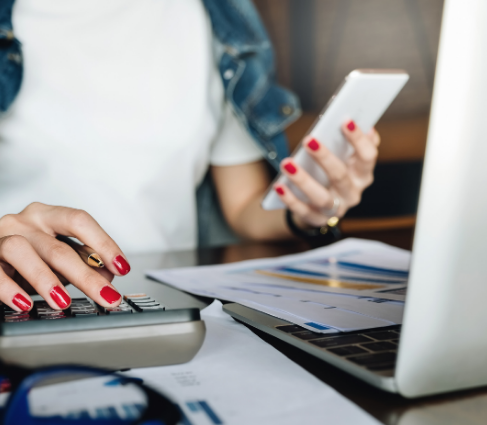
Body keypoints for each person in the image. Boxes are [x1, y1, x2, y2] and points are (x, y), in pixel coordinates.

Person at [0, 0, 378, 313]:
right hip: (22, 311)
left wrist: (306, 210)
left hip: (165, 313)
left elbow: (245, 208)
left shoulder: (220, 16)